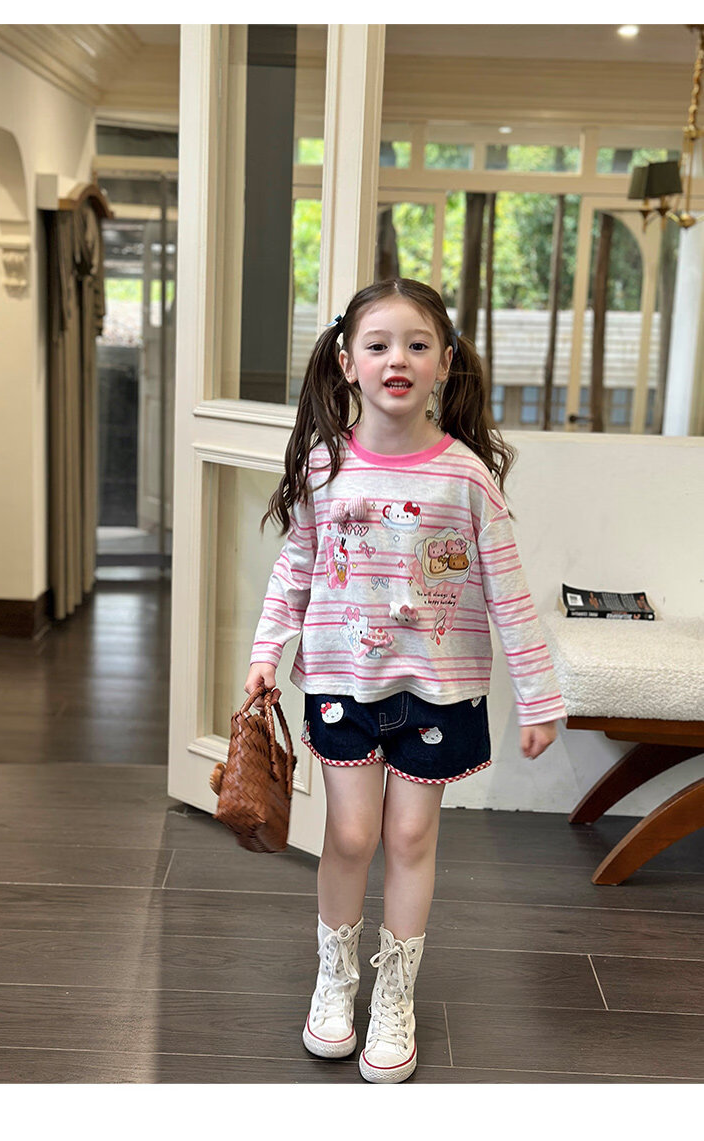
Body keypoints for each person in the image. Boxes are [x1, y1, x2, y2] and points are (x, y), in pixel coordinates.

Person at [244, 278, 566, 1084]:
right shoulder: (323, 467)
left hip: (438, 691)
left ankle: (395, 992)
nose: (398, 359)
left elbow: (509, 592)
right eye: (379, 344)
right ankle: (336, 976)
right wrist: (266, 650)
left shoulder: (466, 477)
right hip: (342, 680)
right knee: (353, 835)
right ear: (347, 361)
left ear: (445, 363)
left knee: (411, 838)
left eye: (417, 345)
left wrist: (539, 696)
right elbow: (294, 567)